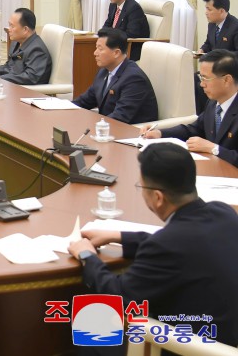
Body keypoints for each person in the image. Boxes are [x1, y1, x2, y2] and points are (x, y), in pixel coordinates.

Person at [68, 144, 238, 347]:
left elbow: (119, 297)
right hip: (227, 333)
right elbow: (184, 245)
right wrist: (118, 236)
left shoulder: (167, 244)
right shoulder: (223, 213)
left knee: (89, 321)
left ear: (158, 197)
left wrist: (87, 256)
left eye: (141, 187)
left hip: (194, 346)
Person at [141, 49, 238, 167]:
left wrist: (214, 148)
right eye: (201, 78)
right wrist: (160, 133)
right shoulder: (213, 103)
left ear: (227, 80)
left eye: (206, 78)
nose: (202, 84)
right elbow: (194, 129)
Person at [71, 27, 158, 124]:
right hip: (109, 127)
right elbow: (85, 101)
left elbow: (120, 116)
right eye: (96, 48)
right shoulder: (103, 71)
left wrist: (93, 126)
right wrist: (63, 107)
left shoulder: (134, 79)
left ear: (116, 53)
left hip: (131, 132)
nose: (95, 53)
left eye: (100, 49)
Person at [0, 7, 52, 85]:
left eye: (12, 26)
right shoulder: (16, 43)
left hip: (27, 92)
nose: (9, 29)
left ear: (25, 30)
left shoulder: (37, 50)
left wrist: (1, 79)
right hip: (11, 85)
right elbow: (8, 67)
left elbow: (30, 77)